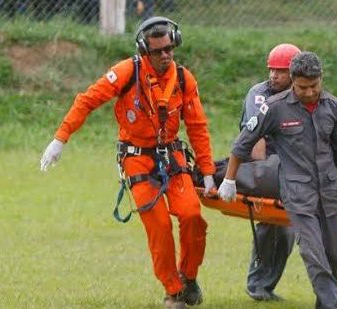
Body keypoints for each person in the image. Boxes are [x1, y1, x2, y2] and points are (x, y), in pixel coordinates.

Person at [39, 17, 217, 309]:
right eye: (158, 51)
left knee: (192, 216)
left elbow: (197, 126)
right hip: (136, 159)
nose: (165, 56)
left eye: (169, 49)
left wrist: (207, 171)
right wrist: (60, 139)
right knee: (159, 225)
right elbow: (87, 100)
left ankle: (189, 277)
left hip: (172, 157)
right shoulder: (126, 72)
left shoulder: (184, 79)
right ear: (144, 51)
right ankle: (173, 292)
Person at [217, 51, 337, 309]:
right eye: (303, 87)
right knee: (313, 252)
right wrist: (228, 180)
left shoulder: (333, 107)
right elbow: (242, 144)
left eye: (314, 86)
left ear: (321, 79)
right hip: (297, 191)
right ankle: (333, 304)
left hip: (329, 190)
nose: (309, 92)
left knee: (335, 256)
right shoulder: (273, 108)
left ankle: (324, 301)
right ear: (293, 81)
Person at [239, 43, 300, 302]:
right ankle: (257, 284)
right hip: (262, 164)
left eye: (281, 71)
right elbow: (256, 140)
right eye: (271, 70)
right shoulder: (260, 94)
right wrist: (264, 180)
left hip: (289, 168)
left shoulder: (302, 93)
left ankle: (264, 286)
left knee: (287, 231)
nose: (274, 76)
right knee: (272, 224)